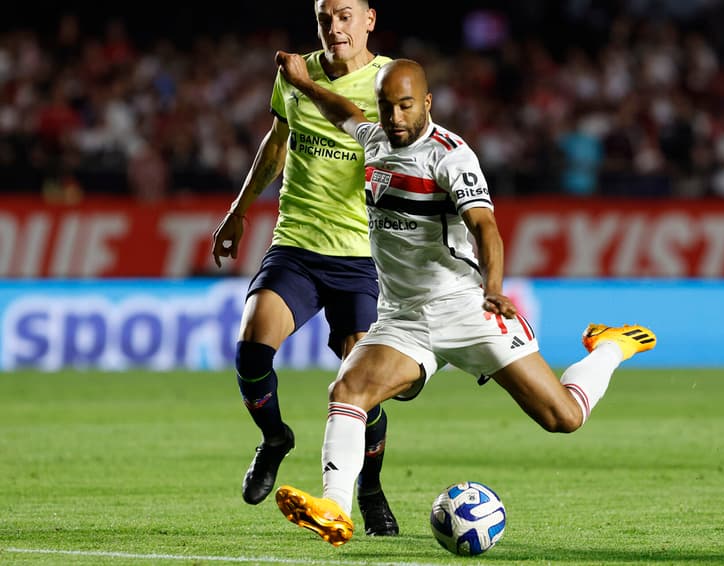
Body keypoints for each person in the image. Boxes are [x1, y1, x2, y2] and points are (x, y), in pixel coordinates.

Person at [271, 52, 658, 546]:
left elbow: (486, 228)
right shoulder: (373, 139)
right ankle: (336, 509)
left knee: (563, 418)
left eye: (406, 106)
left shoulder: (451, 157)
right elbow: (340, 111)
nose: (395, 119)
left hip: (464, 307)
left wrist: (494, 288)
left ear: (427, 103)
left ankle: (610, 346)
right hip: (403, 317)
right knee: (347, 393)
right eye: (387, 107)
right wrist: (303, 83)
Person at [210, 0, 399, 536]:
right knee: (250, 349)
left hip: (362, 255)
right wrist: (239, 210)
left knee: (362, 384)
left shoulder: (390, 81)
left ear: (369, 19)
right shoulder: (295, 74)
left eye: (345, 16)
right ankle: (275, 439)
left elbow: (375, 134)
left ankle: (370, 487)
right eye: (324, 18)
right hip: (296, 244)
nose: (334, 28)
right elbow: (277, 143)